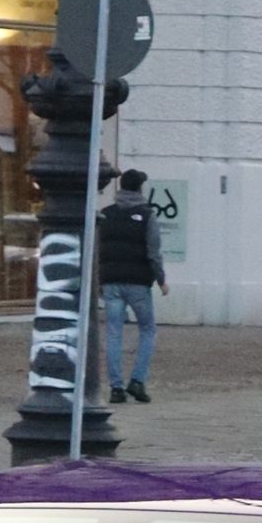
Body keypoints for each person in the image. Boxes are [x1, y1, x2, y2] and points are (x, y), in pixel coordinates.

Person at [95, 168, 166, 404]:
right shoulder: (147, 215)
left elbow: (98, 250)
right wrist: (161, 280)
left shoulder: (106, 214)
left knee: (114, 332)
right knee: (147, 329)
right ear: (139, 188)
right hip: (138, 282)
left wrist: (99, 280)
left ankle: (116, 388)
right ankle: (137, 380)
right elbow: (153, 252)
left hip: (111, 281)